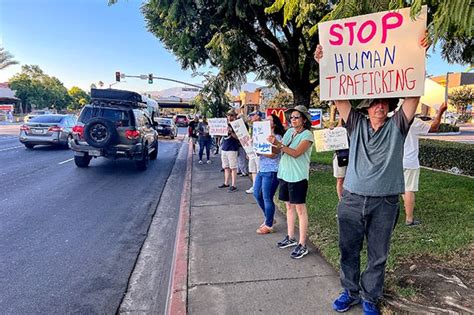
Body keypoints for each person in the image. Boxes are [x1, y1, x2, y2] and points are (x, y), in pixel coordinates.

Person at [314, 38, 427, 314]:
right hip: (352, 199)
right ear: (366, 107)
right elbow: (338, 95)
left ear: (389, 107)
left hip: (385, 202)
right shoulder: (355, 124)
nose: (379, 107)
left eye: (384, 103)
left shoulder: (398, 125)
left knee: (378, 255)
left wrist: (419, 55)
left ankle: (369, 297)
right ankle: (349, 291)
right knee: (348, 250)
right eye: (374, 103)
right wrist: (323, 62)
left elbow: (413, 97)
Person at [268, 105, 314, 259]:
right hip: (285, 174)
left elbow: (295, 153)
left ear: (304, 119)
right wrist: (269, 143)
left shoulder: (307, 135)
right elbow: (277, 151)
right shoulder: (289, 132)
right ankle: (290, 237)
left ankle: (302, 243)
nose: (293, 120)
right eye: (291, 117)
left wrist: (279, 144)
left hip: (298, 177)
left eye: (296, 117)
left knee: (300, 209)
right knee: (288, 206)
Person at [402, 102, 448, 226]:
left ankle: (405, 208)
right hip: (410, 161)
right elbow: (433, 127)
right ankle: (409, 219)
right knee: (409, 189)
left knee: (401, 189)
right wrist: (440, 112)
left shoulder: (390, 119)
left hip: (394, 161)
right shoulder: (413, 122)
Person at [253, 114, 286, 234]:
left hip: (272, 171)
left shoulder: (277, 137)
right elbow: (259, 151)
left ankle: (269, 224)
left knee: (267, 197)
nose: (266, 121)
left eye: (269, 120)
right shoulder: (262, 135)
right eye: (266, 119)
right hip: (262, 169)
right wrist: (257, 150)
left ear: (275, 124)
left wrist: (260, 150)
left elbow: (273, 155)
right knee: (257, 194)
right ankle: (270, 217)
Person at [218, 109, 240, 192]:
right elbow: (219, 135)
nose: (229, 117)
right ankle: (226, 183)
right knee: (226, 167)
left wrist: (231, 132)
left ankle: (234, 185)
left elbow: (238, 137)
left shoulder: (237, 125)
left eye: (231, 115)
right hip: (224, 147)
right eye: (228, 115)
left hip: (232, 148)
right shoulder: (224, 124)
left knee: (233, 167)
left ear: (235, 116)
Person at [246, 112, 264, 194]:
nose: (251, 117)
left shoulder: (263, 125)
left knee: (259, 169)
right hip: (252, 150)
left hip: (259, 150)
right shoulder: (252, 126)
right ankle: (255, 186)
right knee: (253, 169)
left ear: (258, 116)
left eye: (253, 115)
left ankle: (260, 187)